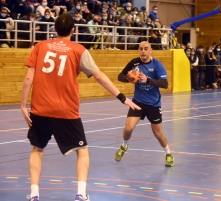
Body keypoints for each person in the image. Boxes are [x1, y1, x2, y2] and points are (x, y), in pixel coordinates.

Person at [21, 13, 140, 201]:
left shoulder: (40, 47)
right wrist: (122, 97)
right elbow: (99, 76)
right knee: (82, 151)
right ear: (73, 30)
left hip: (40, 109)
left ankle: (34, 194)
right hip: (66, 111)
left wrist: (22, 104)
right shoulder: (78, 50)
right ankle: (81, 193)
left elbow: (28, 78)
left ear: (54, 29)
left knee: (37, 149)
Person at [115, 41, 174, 167]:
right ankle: (124, 145)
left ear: (150, 50)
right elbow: (120, 76)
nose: (143, 51)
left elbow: (165, 84)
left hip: (153, 104)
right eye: (141, 49)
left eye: (146, 49)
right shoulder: (134, 63)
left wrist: (148, 80)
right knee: (128, 128)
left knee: (158, 133)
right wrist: (129, 79)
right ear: (138, 50)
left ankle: (168, 154)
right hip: (137, 102)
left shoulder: (157, 65)